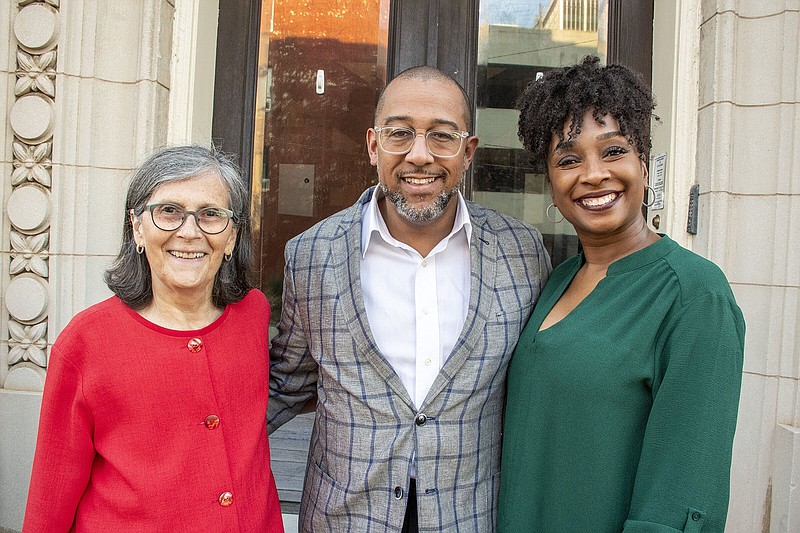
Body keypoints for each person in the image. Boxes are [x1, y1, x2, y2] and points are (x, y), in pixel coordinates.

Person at [267, 66, 551, 532]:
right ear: (374, 146)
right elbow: (287, 384)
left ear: (469, 151)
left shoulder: (520, 252)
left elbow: (540, 386)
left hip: (472, 517)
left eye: (442, 136)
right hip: (346, 519)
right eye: (400, 133)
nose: (420, 156)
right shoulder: (312, 255)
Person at [497, 56, 745, 532]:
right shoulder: (556, 280)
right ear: (552, 186)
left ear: (645, 166)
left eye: (613, 152)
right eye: (569, 160)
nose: (593, 174)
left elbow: (686, 491)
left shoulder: (693, 294)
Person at [23, 145, 284, 532]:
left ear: (232, 237)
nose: (190, 232)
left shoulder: (253, 314)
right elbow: (52, 491)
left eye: (211, 214)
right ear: (137, 228)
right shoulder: (86, 342)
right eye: (169, 212)